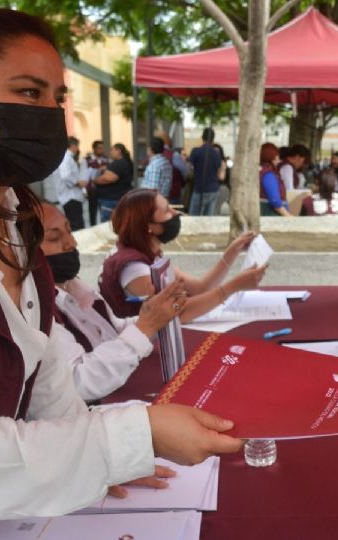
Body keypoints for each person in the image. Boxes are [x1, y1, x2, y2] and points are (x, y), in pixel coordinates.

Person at [0, 3, 242, 537]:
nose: (52, 115)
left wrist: (99, 460)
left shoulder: (6, 214)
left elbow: (45, 375)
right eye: (29, 93)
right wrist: (128, 437)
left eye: (56, 97)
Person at [40, 203, 186, 401]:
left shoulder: (73, 286)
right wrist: (147, 326)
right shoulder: (38, 310)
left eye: (69, 230)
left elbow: (113, 329)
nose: (71, 243)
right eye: (54, 237)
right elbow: (77, 381)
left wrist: (152, 315)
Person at [98, 188, 268, 320]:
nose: (175, 213)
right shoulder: (134, 268)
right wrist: (233, 287)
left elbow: (199, 289)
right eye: (166, 211)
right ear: (148, 226)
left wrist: (232, 251)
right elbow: (178, 313)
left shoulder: (149, 253)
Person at [54, 136, 87, 231]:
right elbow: (66, 176)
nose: (77, 148)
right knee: (76, 225)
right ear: (73, 145)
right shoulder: (66, 157)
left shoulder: (67, 157)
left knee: (77, 224)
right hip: (70, 197)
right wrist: (78, 183)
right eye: (77, 146)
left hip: (72, 196)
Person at [94, 142, 133, 222]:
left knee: (108, 224)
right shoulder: (123, 162)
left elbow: (109, 178)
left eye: (112, 150)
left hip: (110, 200)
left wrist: (95, 180)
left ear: (119, 151)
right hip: (116, 198)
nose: (110, 152)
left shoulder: (119, 163)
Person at [188, 127, 222, 216]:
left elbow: (190, 169)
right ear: (213, 139)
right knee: (209, 219)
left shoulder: (195, 151)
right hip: (214, 189)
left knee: (194, 218)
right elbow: (219, 170)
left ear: (202, 137)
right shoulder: (216, 153)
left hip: (200, 189)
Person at [81, 140, 110, 226]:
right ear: (94, 149)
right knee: (92, 212)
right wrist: (84, 191)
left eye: (102, 148)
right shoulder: (87, 160)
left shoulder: (107, 159)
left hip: (105, 190)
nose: (101, 150)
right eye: (99, 148)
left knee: (104, 211)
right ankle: (93, 227)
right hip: (92, 190)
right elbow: (83, 176)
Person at [259, 142, 291, 217]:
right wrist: (287, 215)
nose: (278, 159)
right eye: (277, 156)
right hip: (272, 214)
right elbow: (274, 200)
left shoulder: (259, 171)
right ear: (273, 157)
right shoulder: (268, 174)